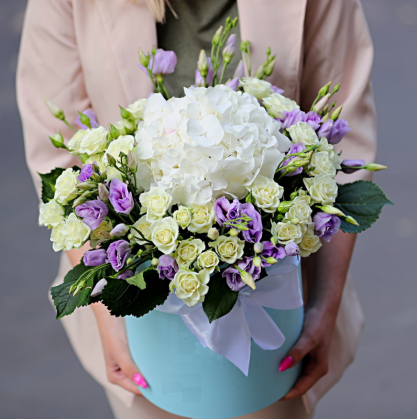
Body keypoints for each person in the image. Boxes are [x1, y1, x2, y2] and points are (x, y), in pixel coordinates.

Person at [17, 0, 376, 418]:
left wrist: (323, 307)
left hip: (280, 309)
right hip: (136, 318)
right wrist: (107, 312)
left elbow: (342, 138)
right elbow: (58, 153)